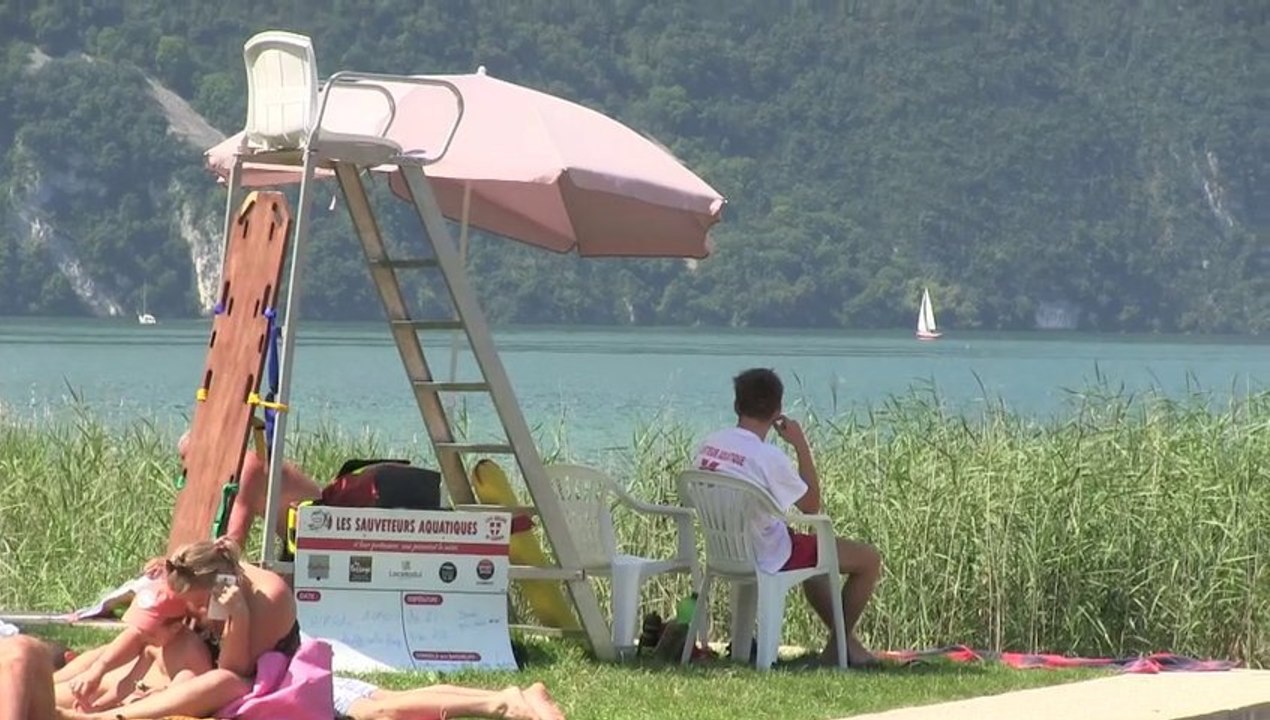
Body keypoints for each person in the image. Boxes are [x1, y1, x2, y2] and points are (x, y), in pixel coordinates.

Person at [692, 368, 882, 667]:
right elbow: (811, 505)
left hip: (725, 551)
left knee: (817, 566)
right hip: (769, 552)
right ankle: (839, 648)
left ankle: (845, 647)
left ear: (736, 405)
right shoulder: (766, 456)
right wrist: (800, 444)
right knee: (868, 559)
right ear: (777, 411)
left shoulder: (710, 443)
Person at [61, 537, 299, 719]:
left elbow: (234, 671)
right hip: (194, 661)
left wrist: (239, 615)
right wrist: (98, 670)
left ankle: (104, 716)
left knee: (220, 681)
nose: (193, 610)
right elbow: (143, 631)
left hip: (243, 680)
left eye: (197, 604)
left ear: (218, 586)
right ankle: (45, 690)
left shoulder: (270, 598)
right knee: (105, 658)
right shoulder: (192, 569)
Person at [178, 429, 321, 549]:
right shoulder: (227, 474)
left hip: (321, 532)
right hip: (296, 539)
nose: (188, 470)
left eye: (195, 461)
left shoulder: (246, 469)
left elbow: (234, 540)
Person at [333, 676, 566, 720]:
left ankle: (500, 705)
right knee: (392, 699)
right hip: (305, 675)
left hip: (300, 682)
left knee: (375, 713)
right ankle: (510, 697)